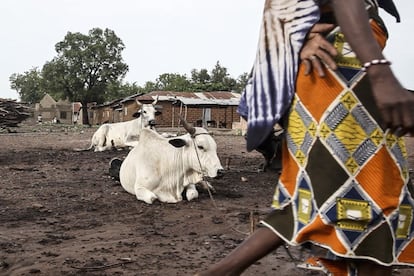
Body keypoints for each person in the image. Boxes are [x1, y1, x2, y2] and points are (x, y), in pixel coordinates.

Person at [197, 0, 414, 275]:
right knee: (368, 204)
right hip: (333, 86)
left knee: (335, 198)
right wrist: (381, 72)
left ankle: (222, 272)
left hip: (350, 89)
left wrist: (300, 37)